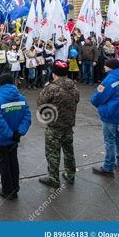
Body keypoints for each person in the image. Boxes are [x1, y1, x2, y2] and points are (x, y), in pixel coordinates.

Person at [37, 60, 80, 188]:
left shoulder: (51, 88)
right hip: (68, 125)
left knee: (52, 153)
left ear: (54, 73)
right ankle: (70, 175)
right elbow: (76, 100)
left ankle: (53, 178)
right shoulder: (73, 86)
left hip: (54, 126)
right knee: (69, 151)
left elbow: (40, 103)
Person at [0, 73, 31, 200]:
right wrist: (18, 133)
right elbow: (27, 117)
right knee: (13, 162)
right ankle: (15, 189)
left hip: (0, 139)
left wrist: (10, 134)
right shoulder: (21, 98)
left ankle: (7, 191)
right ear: (13, 83)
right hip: (14, 139)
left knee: (4, 165)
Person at [91, 58, 119, 177]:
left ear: (110, 67)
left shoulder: (109, 79)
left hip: (110, 114)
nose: (104, 67)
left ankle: (108, 167)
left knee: (109, 141)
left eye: (105, 65)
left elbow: (98, 96)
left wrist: (94, 102)